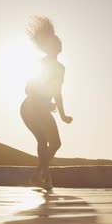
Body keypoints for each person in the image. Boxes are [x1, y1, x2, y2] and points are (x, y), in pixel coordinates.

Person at [21, 16, 73, 190]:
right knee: (50, 142)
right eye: (57, 43)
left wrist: (61, 113)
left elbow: (54, 92)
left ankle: (41, 177)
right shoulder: (48, 65)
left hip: (35, 108)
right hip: (32, 108)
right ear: (52, 47)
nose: (60, 45)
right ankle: (41, 176)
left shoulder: (56, 67)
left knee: (47, 143)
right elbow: (34, 89)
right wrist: (59, 112)